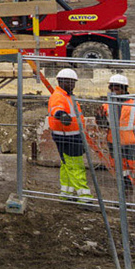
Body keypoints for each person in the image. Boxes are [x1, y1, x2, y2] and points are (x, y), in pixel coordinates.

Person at [100, 72, 135, 202]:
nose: (115, 90)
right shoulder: (106, 105)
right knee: (122, 177)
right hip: (114, 146)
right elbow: (105, 126)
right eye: (113, 87)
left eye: (118, 87)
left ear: (125, 88)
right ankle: (126, 205)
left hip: (133, 146)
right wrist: (100, 119)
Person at [46, 67, 90, 202]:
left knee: (67, 164)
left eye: (73, 82)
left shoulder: (68, 96)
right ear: (60, 81)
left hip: (71, 135)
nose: (71, 85)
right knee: (76, 166)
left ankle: (66, 192)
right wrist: (61, 115)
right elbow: (56, 108)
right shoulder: (59, 96)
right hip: (67, 136)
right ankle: (84, 196)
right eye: (68, 82)